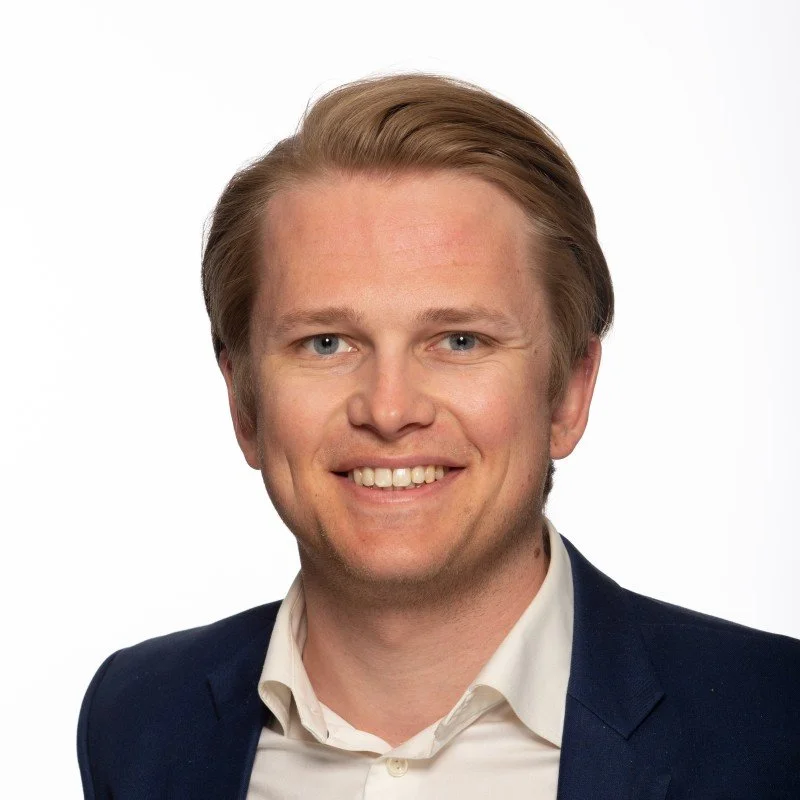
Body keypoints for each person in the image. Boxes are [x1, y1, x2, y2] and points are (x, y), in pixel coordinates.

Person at [77, 74, 800, 799]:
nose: (390, 410)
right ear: (243, 403)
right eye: (326, 342)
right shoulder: (139, 719)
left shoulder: (776, 722)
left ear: (569, 393)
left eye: (460, 340)